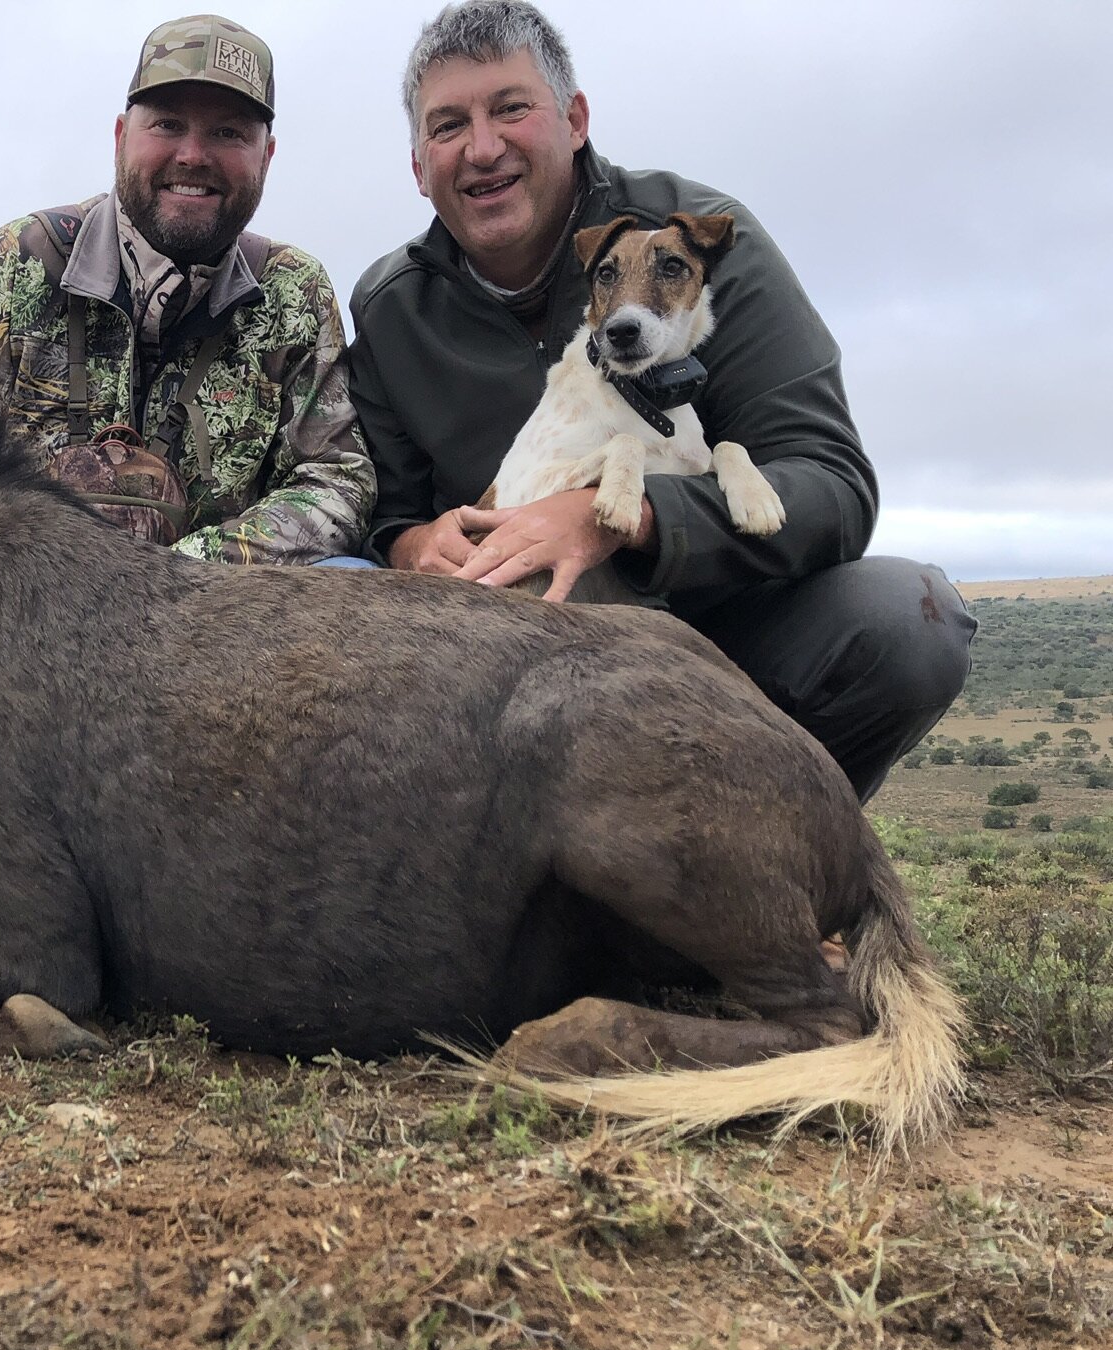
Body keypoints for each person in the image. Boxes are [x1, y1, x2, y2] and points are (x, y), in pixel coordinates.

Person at [348, 0, 974, 799]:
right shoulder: (389, 305)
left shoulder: (706, 248)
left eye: (511, 109)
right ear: (417, 164)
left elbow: (832, 486)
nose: (482, 148)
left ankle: (777, 858)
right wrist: (411, 548)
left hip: (723, 634)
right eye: (447, 126)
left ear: (573, 119)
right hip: (514, 652)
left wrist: (632, 521)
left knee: (905, 620)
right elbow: (389, 516)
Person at [0, 15, 374, 565]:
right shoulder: (13, 266)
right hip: (20, 613)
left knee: (352, 571)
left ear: (266, 157)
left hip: (213, 621)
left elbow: (337, 479)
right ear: (121, 137)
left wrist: (183, 572)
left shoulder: (294, 291)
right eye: (169, 124)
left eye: (228, 132)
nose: (194, 155)